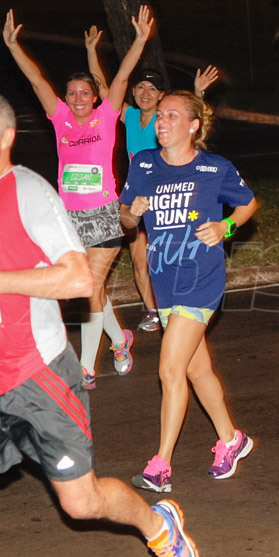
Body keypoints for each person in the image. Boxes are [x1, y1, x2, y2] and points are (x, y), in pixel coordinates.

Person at [0, 89, 199, 557]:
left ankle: (157, 524)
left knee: (81, 502)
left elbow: (76, 280)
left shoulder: (28, 191)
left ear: (6, 137)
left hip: (35, 376)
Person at [3, 8, 152, 388]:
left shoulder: (106, 117)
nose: (78, 97)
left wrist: (138, 41)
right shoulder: (60, 119)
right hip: (67, 217)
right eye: (72, 93)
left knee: (90, 288)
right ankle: (120, 341)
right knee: (94, 290)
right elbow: (36, 80)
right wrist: (14, 46)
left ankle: (86, 367)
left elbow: (120, 76)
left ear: (95, 96)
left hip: (104, 213)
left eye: (85, 92)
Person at [121, 91, 258, 493]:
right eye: (159, 116)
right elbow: (126, 218)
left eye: (171, 116)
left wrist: (225, 228)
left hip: (201, 279)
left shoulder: (214, 168)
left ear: (193, 125)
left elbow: (247, 205)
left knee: (169, 369)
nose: (161, 122)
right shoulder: (144, 164)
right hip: (165, 280)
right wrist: (133, 213)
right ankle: (231, 439)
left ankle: (160, 465)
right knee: (196, 369)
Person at [86, 31, 220, 332]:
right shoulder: (129, 116)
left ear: (162, 95)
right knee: (138, 260)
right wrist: (91, 50)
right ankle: (154, 311)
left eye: (153, 88)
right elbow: (104, 88)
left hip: (168, 200)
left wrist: (197, 94)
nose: (146, 92)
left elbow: (191, 123)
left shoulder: (167, 123)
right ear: (134, 91)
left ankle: (180, 307)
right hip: (139, 199)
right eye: (141, 87)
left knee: (167, 256)